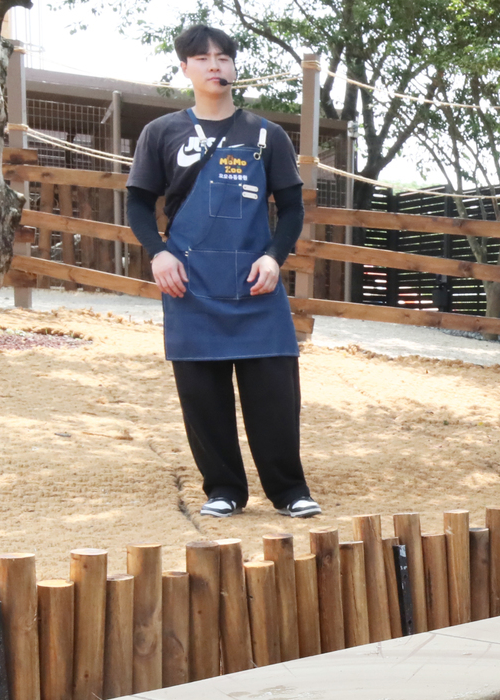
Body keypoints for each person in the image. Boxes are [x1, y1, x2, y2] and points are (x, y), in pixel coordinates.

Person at [126, 24, 320, 518]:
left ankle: (290, 490)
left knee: (274, 393)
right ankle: (224, 491)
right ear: (185, 68)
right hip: (189, 283)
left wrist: (274, 255)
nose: (216, 65)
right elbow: (138, 205)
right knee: (202, 396)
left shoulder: (266, 134)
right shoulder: (161, 133)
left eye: (224, 57)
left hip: (257, 285)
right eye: (203, 58)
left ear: (234, 66)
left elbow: (293, 210)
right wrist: (158, 252)